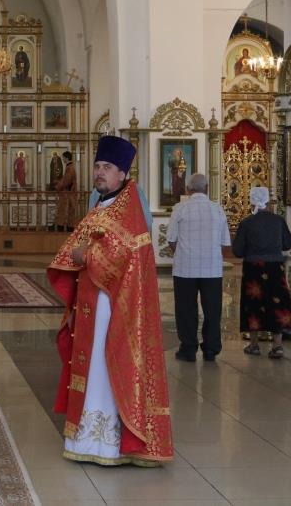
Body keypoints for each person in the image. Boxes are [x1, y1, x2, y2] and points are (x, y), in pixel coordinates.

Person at [48, 135, 173, 466]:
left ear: (122, 173)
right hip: (92, 301)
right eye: (97, 166)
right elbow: (75, 245)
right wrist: (78, 254)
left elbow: (117, 254)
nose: (99, 172)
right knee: (92, 366)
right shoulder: (101, 206)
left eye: (107, 167)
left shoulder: (128, 208)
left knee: (107, 366)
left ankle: (109, 444)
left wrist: (86, 255)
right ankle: (88, 439)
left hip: (114, 305)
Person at [166, 173, 231, 362]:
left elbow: (171, 239)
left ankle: (188, 349)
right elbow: (225, 242)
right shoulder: (217, 210)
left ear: (188, 189)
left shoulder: (180, 209)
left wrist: (183, 253)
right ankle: (211, 349)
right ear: (207, 188)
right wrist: (211, 254)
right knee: (212, 309)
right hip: (212, 269)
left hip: (185, 268)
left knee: (186, 309)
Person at [232, 186, 291, 359]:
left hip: (253, 269)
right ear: (268, 201)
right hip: (275, 267)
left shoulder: (246, 223)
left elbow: (237, 250)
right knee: (276, 304)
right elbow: (287, 244)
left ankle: (254, 345)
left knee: (253, 305)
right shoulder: (278, 221)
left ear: (252, 201)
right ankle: (277, 345)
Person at [54, 151, 78, 231]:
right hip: (69, 194)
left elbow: (66, 181)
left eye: (63, 157)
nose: (63, 159)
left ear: (66, 158)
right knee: (68, 211)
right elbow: (66, 180)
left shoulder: (70, 168)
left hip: (68, 195)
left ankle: (62, 227)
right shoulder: (70, 167)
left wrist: (57, 186)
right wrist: (59, 182)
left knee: (64, 211)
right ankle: (67, 227)